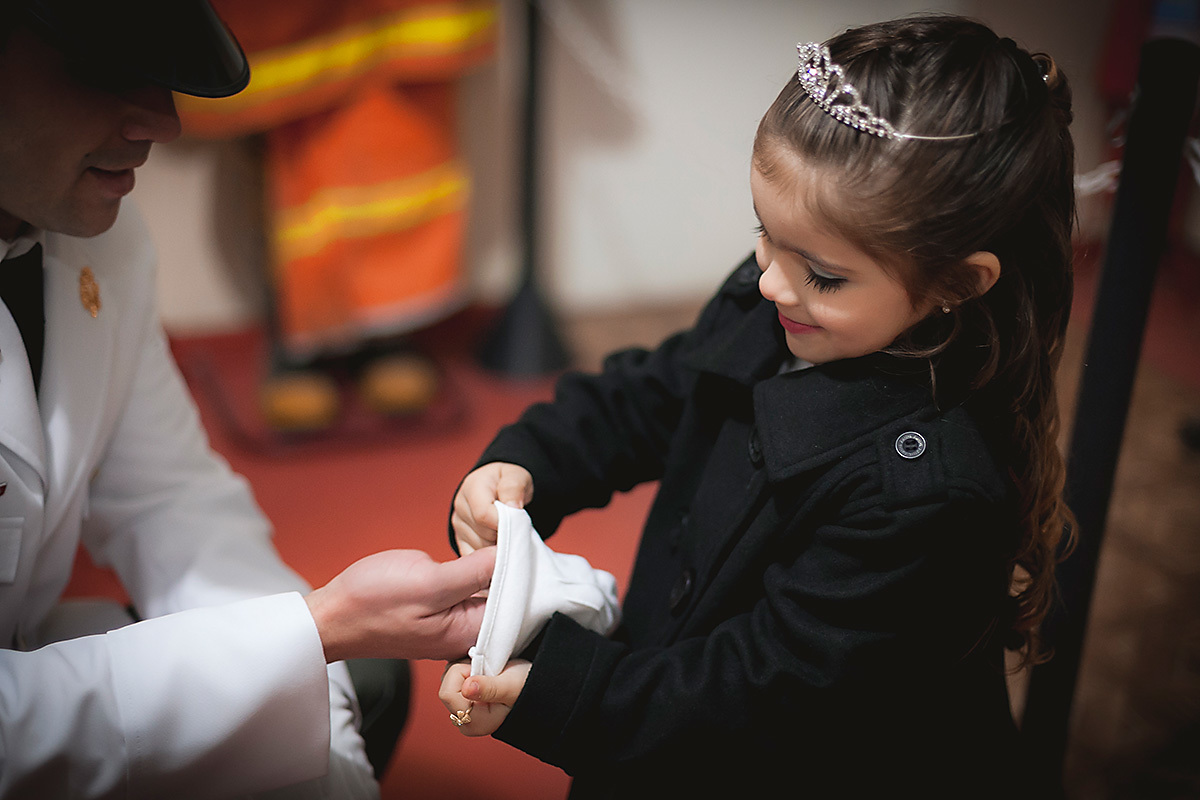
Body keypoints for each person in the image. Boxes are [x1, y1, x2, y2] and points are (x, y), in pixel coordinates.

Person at [440, 13, 1077, 798]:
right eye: (763, 234)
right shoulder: (776, 301)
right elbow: (649, 395)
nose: (772, 281)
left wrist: (567, 692)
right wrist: (527, 462)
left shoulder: (925, 496)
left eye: (824, 275)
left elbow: (764, 693)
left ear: (956, 282)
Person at [0, 1, 495, 797]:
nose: (164, 121)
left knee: (355, 685)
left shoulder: (106, 241)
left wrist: (319, 684)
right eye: (102, 69)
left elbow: (172, 501)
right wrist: (316, 630)